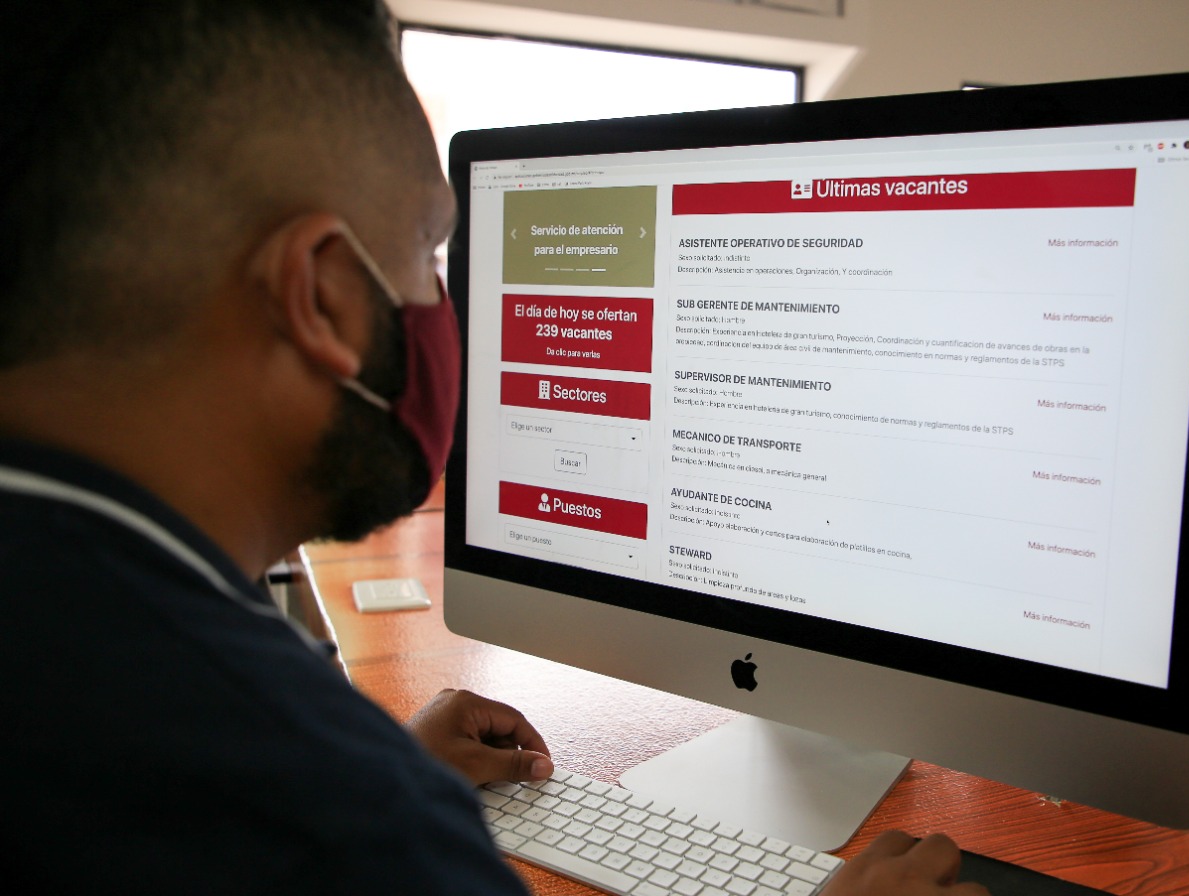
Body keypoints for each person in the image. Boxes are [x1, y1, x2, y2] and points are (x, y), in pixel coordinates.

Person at [0, 1, 987, 893]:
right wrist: (373, 798)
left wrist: (385, 767)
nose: (448, 307)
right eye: (426, 252)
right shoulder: (327, 818)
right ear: (325, 296)